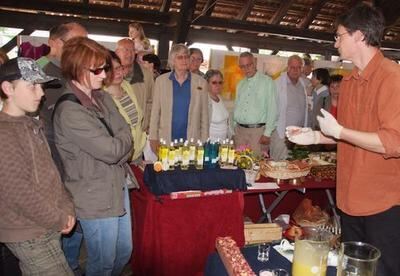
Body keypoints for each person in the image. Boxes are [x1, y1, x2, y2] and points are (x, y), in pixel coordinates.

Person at [286, 4, 400, 276]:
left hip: (381, 204)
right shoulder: (348, 83)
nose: (335, 42)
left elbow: (393, 142)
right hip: (348, 199)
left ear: (359, 35)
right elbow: (345, 133)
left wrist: (339, 132)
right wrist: (314, 136)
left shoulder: (392, 78)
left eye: (339, 36)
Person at [53, 37, 133, 276]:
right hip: (94, 194)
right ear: (77, 69)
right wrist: (122, 143)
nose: (104, 75)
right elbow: (112, 150)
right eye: (97, 69)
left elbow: (127, 134)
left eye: (105, 67)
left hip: (117, 185)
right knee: (103, 263)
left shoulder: (103, 97)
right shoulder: (70, 110)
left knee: (124, 252)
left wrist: (121, 143)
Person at [0, 57, 75, 275]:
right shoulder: (5, 133)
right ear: (8, 88)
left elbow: (52, 174)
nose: (41, 93)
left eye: (41, 86)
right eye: (32, 85)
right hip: (28, 230)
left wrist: (67, 206)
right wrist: (59, 217)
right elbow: (17, 192)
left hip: (45, 223)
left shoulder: (31, 124)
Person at [36, 22, 88, 275]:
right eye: (75, 43)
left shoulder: (75, 72)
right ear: (55, 43)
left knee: (74, 218)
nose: (81, 49)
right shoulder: (38, 72)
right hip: (50, 163)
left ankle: (72, 265)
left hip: (75, 163)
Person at [149, 44, 209, 153]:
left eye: (186, 56)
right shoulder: (160, 81)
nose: (184, 60)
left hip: (192, 141)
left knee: (189, 169)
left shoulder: (201, 83)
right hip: (166, 139)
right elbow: (155, 112)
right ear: (173, 60)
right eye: (180, 57)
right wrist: (153, 137)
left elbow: (204, 114)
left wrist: (204, 140)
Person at [233, 52, 278, 157]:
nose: (246, 69)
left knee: (256, 166)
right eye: (242, 66)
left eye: (249, 65)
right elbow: (237, 106)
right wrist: (234, 129)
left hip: (257, 133)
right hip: (239, 132)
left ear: (255, 63)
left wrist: (267, 134)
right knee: (238, 165)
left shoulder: (267, 82)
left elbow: (273, 109)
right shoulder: (240, 84)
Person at [105, 51, 147, 162]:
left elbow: (138, 119)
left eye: (119, 68)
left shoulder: (127, 86)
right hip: (121, 157)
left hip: (138, 152)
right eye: (112, 70)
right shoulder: (101, 96)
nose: (117, 73)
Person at [270, 55, 308, 161]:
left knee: (295, 165)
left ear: (302, 69)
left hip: (298, 134)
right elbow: (270, 109)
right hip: (281, 133)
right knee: (279, 164)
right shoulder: (277, 84)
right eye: (292, 67)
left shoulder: (302, 84)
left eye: (298, 67)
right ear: (287, 67)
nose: (295, 70)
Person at [115, 38, 154, 132]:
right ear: (116, 52)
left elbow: (152, 101)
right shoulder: (108, 74)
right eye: (126, 50)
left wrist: (147, 123)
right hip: (117, 132)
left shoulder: (146, 75)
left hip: (140, 131)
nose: (130, 53)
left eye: (132, 50)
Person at [205, 69, 230, 142]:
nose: (218, 85)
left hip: (222, 143)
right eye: (214, 82)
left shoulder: (219, 97)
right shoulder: (204, 100)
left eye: (220, 82)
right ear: (207, 83)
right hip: (210, 144)